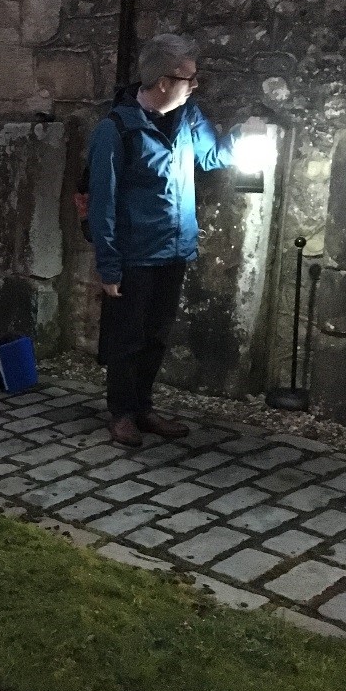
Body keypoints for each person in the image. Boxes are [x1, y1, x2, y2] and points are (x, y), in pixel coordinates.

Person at [86, 34, 236, 448]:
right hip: (136, 254)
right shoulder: (115, 129)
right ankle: (121, 413)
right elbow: (103, 201)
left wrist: (243, 136)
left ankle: (144, 407)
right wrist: (109, 265)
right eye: (190, 78)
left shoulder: (189, 118)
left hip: (174, 250)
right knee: (127, 338)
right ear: (164, 81)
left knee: (156, 336)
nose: (195, 85)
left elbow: (211, 158)